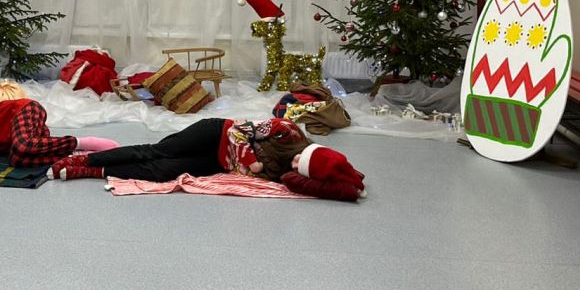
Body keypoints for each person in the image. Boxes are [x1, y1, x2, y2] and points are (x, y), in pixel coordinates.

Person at [48, 117, 365, 201]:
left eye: (300, 169)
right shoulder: (287, 132)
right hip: (216, 133)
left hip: (218, 163)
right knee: (158, 151)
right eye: (298, 161)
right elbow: (241, 129)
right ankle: (85, 160)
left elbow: (336, 188)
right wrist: (252, 160)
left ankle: (93, 171)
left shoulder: (292, 171)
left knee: (163, 172)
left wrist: (348, 185)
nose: (294, 166)